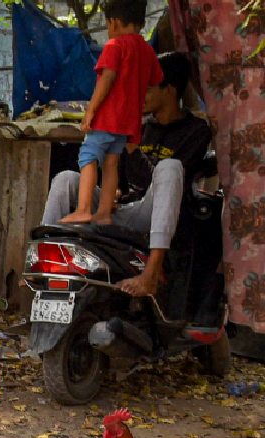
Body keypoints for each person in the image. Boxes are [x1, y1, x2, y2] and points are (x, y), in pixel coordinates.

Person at [43, 51, 212, 297]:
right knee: (66, 179)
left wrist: (133, 149)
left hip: (157, 214)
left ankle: (151, 273)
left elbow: (167, 185)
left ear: (169, 90)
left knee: (170, 167)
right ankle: (44, 257)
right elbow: (121, 179)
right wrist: (113, 194)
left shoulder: (195, 131)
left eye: (147, 89)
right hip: (125, 209)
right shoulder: (141, 126)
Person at [59, 0, 162, 226]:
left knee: (88, 157)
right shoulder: (147, 51)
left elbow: (106, 78)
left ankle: (83, 208)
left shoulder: (115, 46)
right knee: (111, 163)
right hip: (128, 123)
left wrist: (91, 111)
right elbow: (155, 81)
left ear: (113, 22)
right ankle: (104, 213)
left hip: (107, 118)